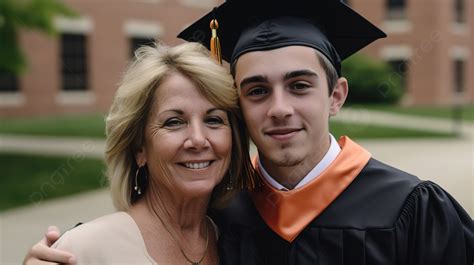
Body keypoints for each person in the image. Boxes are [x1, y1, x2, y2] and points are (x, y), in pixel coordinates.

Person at [25, 0, 474, 264]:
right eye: (257, 90)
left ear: (336, 95)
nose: (279, 109)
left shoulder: (415, 213)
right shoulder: (224, 214)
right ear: (239, 103)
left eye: (299, 86)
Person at [23, 42, 258, 264]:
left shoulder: (235, 242)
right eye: (174, 122)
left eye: (214, 119)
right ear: (139, 148)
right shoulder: (85, 250)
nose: (197, 139)